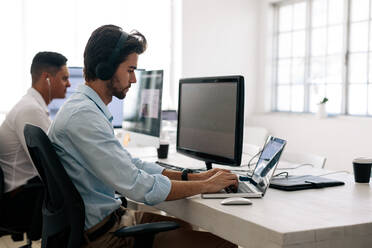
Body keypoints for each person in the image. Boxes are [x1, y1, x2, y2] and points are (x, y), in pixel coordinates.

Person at [48, 25, 238, 248]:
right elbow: (140, 186)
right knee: (223, 245)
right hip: (105, 237)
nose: (134, 79)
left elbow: (130, 164)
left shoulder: (85, 109)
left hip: (110, 221)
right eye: (130, 70)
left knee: (184, 227)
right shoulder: (83, 117)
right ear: (105, 68)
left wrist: (197, 177)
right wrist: (207, 186)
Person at [0, 51, 70, 231]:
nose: (69, 84)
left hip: (26, 193)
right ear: (47, 78)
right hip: (22, 201)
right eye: (64, 78)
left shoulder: (31, 106)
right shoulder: (30, 110)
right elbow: (51, 165)